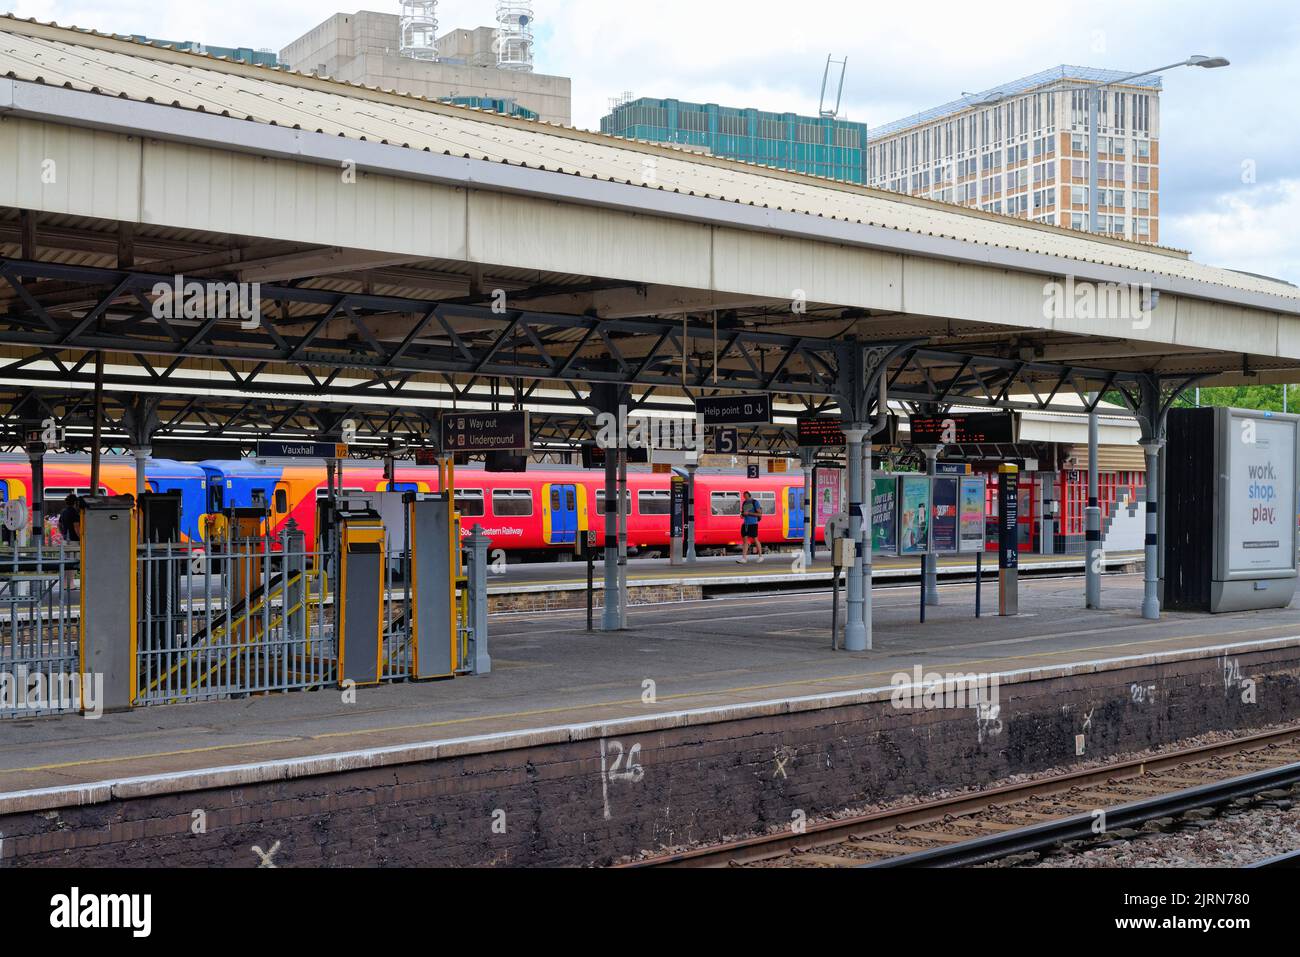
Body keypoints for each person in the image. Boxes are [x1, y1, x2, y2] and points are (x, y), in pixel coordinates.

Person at [737, 490, 764, 563]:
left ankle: (761, 556)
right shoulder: (744, 503)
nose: (745, 498)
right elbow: (743, 513)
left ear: (749, 496)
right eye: (744, 496)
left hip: (753, 524)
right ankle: (744, 558)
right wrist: (742, 515)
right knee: (745, 541)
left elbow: (759, 514)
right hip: (745, 524)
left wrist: (748, 513)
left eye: (746, 496)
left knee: (755, 539)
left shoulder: (755, 502)